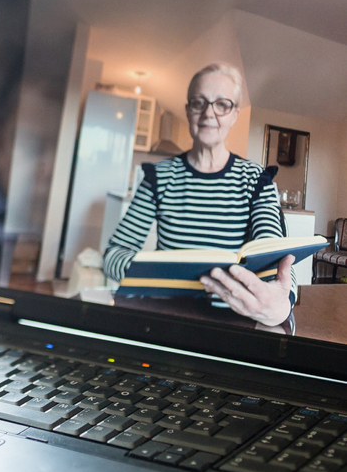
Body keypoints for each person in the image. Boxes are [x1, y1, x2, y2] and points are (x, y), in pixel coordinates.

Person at [103, 63, 295, 330]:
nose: (208, 113)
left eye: (222, 104)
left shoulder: (257, 179)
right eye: (199, 102)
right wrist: (162, 275)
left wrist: (282, 304)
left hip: (233, 323)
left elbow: (274, 255)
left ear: (234, 115)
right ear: (187, 110)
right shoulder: (158, 177)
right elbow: (114, 254)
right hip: (165, 320)